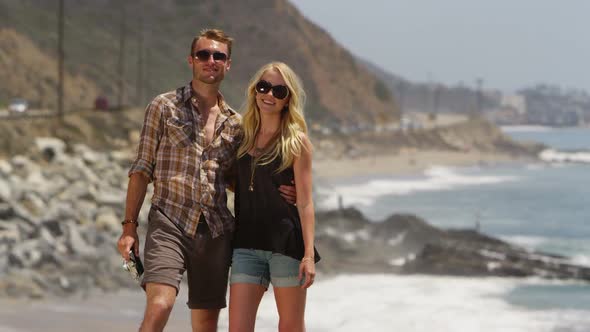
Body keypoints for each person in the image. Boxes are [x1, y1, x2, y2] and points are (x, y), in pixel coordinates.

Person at [116, 29, 294, 332]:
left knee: (206, 324)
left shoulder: (237, 124)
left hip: (216, 231)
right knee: (160, 305)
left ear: (228, 65)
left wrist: (284, 193)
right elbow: (142, 168)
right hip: (168, 221)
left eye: (218, 56)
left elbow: (240, 180)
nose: (210, 60)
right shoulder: (164, 106)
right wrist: (129, 227)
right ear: (191, 60)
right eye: (203, 55)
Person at [228, 62, 320, 332]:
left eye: (279, 90)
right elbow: (240, 182)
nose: (269, 95)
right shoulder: (241, 135)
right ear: (255, 91)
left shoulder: (297, 141)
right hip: (246, 244)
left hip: (285, 246)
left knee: (290, 327)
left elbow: (304, 201)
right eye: (264, 87)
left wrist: (308, 256)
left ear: (287, 98)